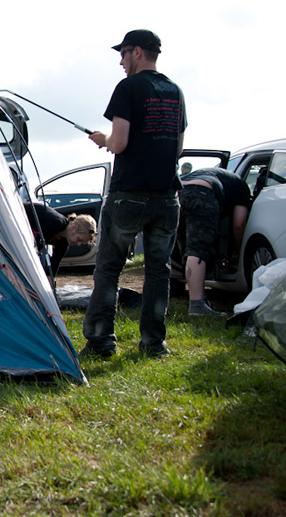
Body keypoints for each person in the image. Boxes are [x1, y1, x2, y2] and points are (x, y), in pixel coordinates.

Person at [82, 29, 186, 358]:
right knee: (158, 270)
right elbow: (178, 147)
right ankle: (154, 343)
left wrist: (104, 140)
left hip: (129, 194)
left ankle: (101, 342)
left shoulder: (128, 88)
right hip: (167, 195)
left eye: (124, 53)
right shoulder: (175, 91)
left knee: (109, 268)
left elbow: (121, 142)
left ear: (137, 52)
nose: (121, 61)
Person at [178, 167, 251, 315]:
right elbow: (239, 224)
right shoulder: (242, 187)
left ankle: (159, 302)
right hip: (204, 193)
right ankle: (197, 305)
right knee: (197, 249)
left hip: (179, 192)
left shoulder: (214, 174)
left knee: (185, 245)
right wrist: (238, 249)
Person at [23, 201, 97, 280]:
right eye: (79, 239)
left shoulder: (63, 244)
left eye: (82, 243)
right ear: (73, 227)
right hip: (19, 214)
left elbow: (52, 269)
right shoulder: (56, 223)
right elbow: (33, 247)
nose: (79, 244)